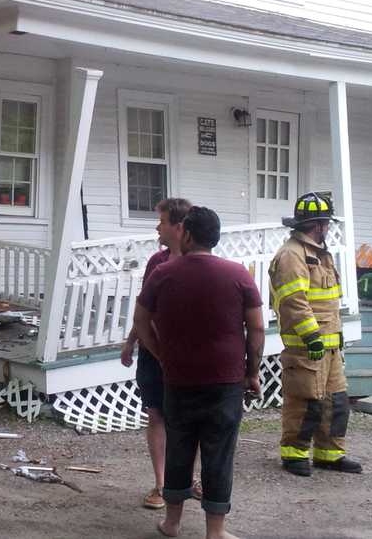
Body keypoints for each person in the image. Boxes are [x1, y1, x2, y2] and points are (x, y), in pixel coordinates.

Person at [134, 206, 265, 539]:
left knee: (179, 449)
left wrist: (161, 355)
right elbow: (257, 328)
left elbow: (140, 321)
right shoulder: (238, 274)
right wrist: (252, 372)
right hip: (225, 381)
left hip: (179, 380)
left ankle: (172, 523)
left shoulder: (163, 273)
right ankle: (215, 531)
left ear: (188, 235)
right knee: (218, 454)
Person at [269, 192, 362, 476]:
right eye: (327, 223)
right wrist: (311, 336)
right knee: (305, 402)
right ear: (318, 225)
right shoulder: (292, 255)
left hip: (329, 347)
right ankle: (294, 455)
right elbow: (293, 300)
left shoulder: (320, 254)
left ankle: (329, 455)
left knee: (336, 403)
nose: (328, 228)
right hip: (306, 346)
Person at [121, 197, 197, 509]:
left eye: (162, 222)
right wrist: (131, 342)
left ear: (179, 227)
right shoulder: (157, 262)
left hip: (187, 355)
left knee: (189, 419)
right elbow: (145, 308)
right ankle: (162, 484)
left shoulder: (200, 262)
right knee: (156, 413)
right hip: (153, 352)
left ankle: (188, 480)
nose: (157, 227)